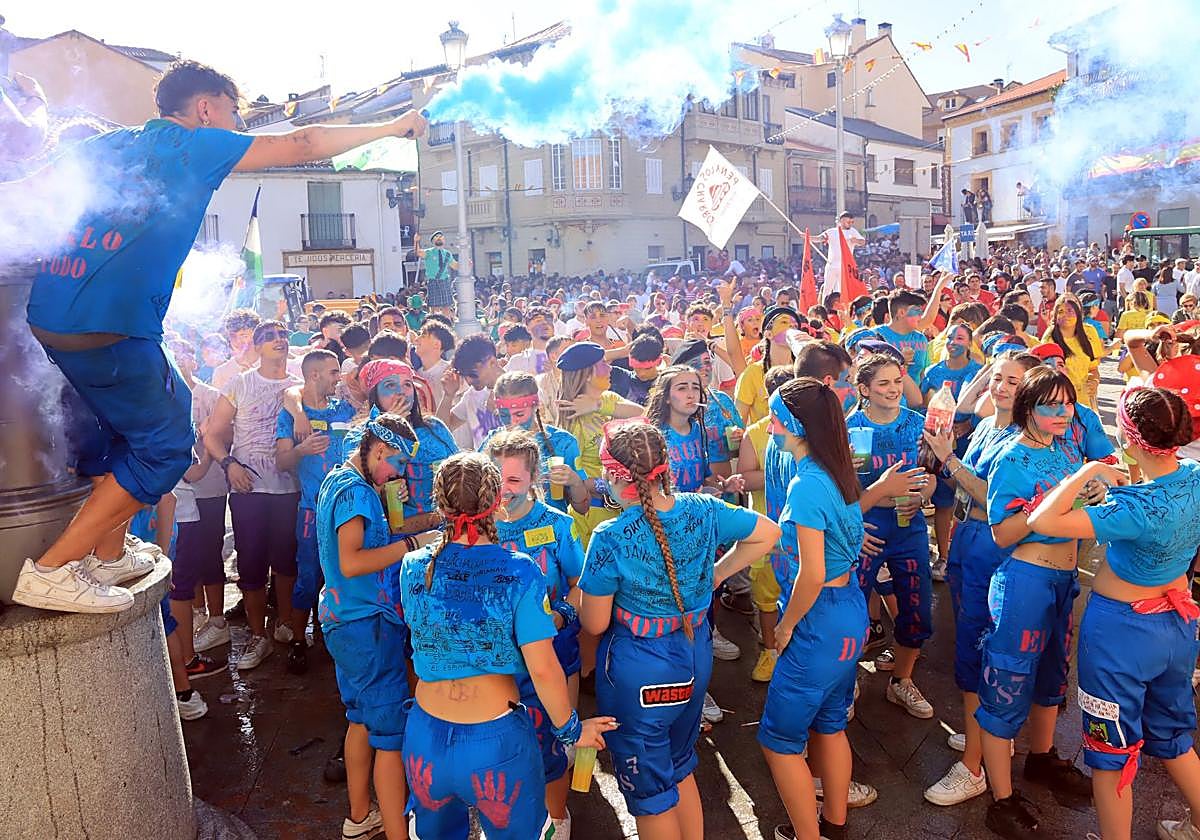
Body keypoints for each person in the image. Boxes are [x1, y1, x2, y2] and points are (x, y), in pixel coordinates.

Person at [14, 59, 427, 613]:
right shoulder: (194, 145)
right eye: (233, 113)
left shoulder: (108, 145)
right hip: (107, 329)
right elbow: (304, 140)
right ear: (205, 108)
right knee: (164, 450)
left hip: (54, 318)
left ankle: (108, 555)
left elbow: (28, 190)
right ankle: (51, 570)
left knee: (143, 424)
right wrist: (393, 125)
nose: (236, 127)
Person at [578, 419, 779, 839]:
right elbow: (768, 532)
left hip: (638, 667)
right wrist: (715, 575)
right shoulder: (703, 509)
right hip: (693, 650)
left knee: (650, 794)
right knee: (680, 761)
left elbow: (594, 623)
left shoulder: (609, 536)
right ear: (665, 466)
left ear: (616, 478)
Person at [400, 452, 616, 840]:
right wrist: (570, 730)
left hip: (424, 735)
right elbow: (544, 669)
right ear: (496, 501)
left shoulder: (414, 565)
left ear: (440, 504)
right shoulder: (519, 571)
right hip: (494, 743)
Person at [1027, 386, 1200, 840]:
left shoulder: (1134, 507)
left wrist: (1086, 468)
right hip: (1178, 624)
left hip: (1121, 634)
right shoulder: (1196, 476)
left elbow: (1041, 520)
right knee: (1175, 735)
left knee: (1112, 752)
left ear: (1128, 437)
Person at [760, 376, 910, 840]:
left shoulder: (806, 485)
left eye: (775, 420)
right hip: (848, 611)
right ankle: (835, 825)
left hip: (817, 617)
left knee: (779, 743)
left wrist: (783, 628)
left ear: (794, 426)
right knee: (830, 725)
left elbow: (810, 574)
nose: (769, 428)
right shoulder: (837, 469)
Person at [978, 367, 1097, 838]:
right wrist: (1045, 508)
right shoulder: (1012, 459)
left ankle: (1042, 758)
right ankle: (1001, 799)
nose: (1063, 413)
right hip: (1025, 582)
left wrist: (1089, 493)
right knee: (1006, 685)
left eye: (1067, 404)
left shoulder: (1067, 448)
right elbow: (1002, 533)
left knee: (1052, 677)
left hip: (1064, 580)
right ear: (1027, 408)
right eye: (1051, 405)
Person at [921, 351, 1041, 807]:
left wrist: (949, 460)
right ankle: (987, 736)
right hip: (969, 543)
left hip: (993, 549)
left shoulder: (1023, 438)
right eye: (997, 378)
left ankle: (974, 766)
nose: (1002, 387)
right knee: (974, 649)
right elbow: (968, 403)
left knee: (979, 656)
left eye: (1014, 380)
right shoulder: (990, 422)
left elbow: (994, 500)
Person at [315, 414, 427, 840]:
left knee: (360, 720)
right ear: (378, 450)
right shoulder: (358, 494)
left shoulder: (338, 479)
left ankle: (360, 818)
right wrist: (413, 547)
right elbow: (353, 561)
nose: (397, 473)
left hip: (343, 621)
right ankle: (398, 833)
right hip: (365, 625)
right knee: (390, 737)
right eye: (395, 462)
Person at [486, 429, 586, 839]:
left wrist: (562, 614)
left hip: (556, 655)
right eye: (497, 480)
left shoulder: (559, 525)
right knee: (507, 751)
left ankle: (557, 820)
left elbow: (582, 586)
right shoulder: (479, 526)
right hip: (501, 666)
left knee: (558, 749)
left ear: (534, 479)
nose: (505, 491)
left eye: (514, 480)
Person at [205, 320, 303, 670]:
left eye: (283, 336)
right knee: (251, 564)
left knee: (288, 561)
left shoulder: (299, 387)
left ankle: (289, 625)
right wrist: (229, 464)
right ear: (256, 347)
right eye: (269, 337)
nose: (279, 341)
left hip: (289, 488)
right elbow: (212, 435)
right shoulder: (239, 384)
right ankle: (257, 636)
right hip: (249, 489)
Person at [846, 354, 936, 718]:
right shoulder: (853, 429)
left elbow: (931, 474)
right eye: (883, 383)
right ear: (864, 389)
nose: (893, 389)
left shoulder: (917, 424)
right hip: (868, 527)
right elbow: (849, 488)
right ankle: (844, 681)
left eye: (897, 381)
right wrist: (858, 520)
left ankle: (902, 681)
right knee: (852, 610)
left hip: (909, 526)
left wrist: (922, 496)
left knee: (917, 609)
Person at [273, 349, 356, 674]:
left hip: (346, 508)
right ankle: (297, 639)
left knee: (342, 573)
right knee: (308, 576)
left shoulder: (343, 408)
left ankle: (331, 634)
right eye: (333, 372)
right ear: (314, 375)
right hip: (312, 509)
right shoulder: (292, 415)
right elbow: (281, 462)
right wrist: (300, 450)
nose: (338, 378)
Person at [555, 342, 644, 543]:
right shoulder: (574, 420)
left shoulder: (608, 398)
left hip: (624, 507)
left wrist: (598, 406)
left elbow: (643, 415)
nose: (610, 368)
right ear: (587, 374)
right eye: (603, 363)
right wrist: (614, 485)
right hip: (595, 513)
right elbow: (576, 480)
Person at [920, 323, 983, 576]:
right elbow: (924, 406)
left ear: (969, 343)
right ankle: (944, 557)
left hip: (968, 444)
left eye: (960, 337)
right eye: (949, 337)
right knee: (944, 502)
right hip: (938, 442)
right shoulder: (932, 372)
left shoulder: (977, 372)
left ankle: (964, 552)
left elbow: (983, 409)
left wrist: (967, 424)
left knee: (967, 496)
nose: (953, 341)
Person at [483, 371, 590, 516]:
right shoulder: (492, 443)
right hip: (505, 532)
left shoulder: (563, 443)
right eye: (504, 416)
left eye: (519, 414)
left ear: (536, 405)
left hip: (550, 532)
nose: (512, 422)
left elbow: (583, 509)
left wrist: (575, 482)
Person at [736, 307, 801, 425]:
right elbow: (738, 421)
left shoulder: (802, 370)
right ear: (769, 334)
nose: (791, 327)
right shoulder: (753, 373)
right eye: (784, 322)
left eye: (795, 326)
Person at [816, 212, 866, 299]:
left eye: (851, 222)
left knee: (842, 290)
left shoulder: (853, 231)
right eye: (848, 222)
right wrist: (807, 237)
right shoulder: (831, 232)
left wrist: (856, 240)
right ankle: (825, 306)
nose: (850, 224)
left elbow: (863, 241)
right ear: (842, 221)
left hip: (845, 266)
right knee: (827, 289)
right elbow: (820, 238)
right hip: (831, 265)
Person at [414, 231, 456, 316]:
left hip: (444, 281)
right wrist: (416, 241)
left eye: (441, 236)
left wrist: (466, 264)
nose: (439, 238)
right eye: (436, 237)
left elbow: (455, 266)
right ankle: (435, 322)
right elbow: (418, 252)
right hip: (433, 281)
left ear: (444, 240)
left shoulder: (448, 254)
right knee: (434, 307)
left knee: (447, 306)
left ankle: (446, 323)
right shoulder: (429, 252)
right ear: (433, 241)